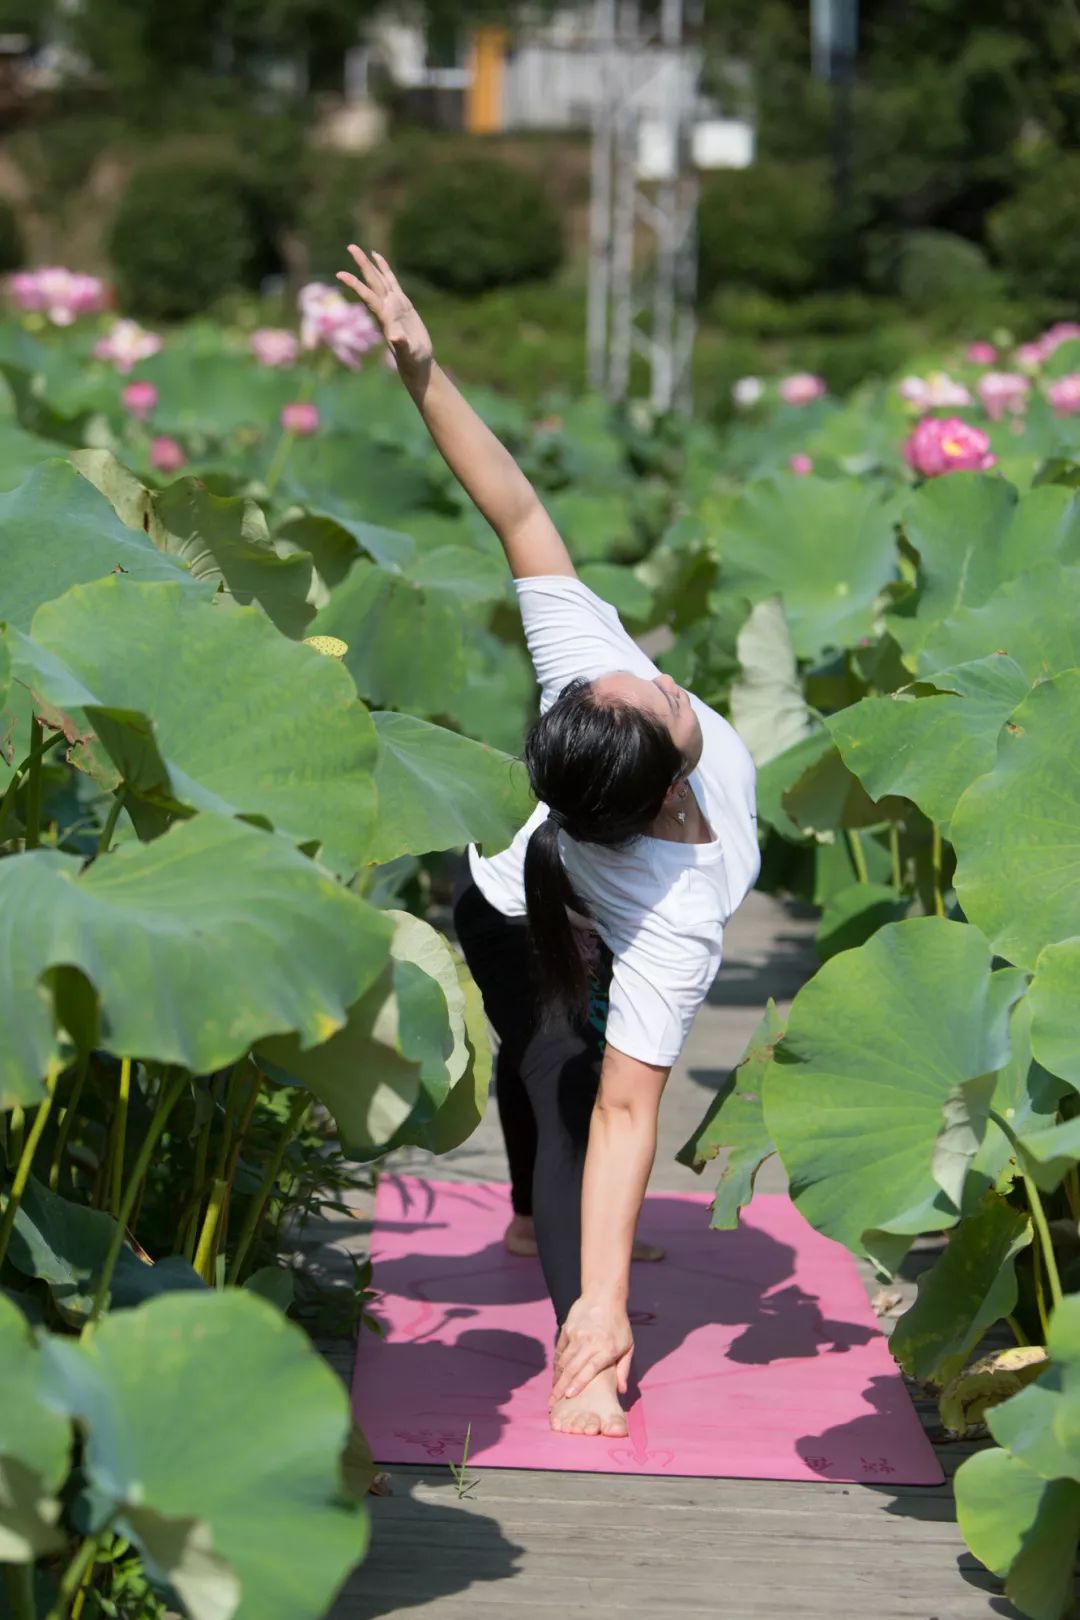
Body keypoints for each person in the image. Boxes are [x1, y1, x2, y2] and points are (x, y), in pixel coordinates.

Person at [337, 246, 760, 1440]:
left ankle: (555, 1267)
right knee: (553, 1076)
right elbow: (636, 1115)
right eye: (658, 693)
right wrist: (611, 1310)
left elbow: (515, 506)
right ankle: (581, 1345)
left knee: (573, 1080)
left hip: (583, 895)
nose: (653, 672)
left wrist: (423, 367)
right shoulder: (661, 874)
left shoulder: (602, 720)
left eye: (649, 686)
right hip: (510, 906)